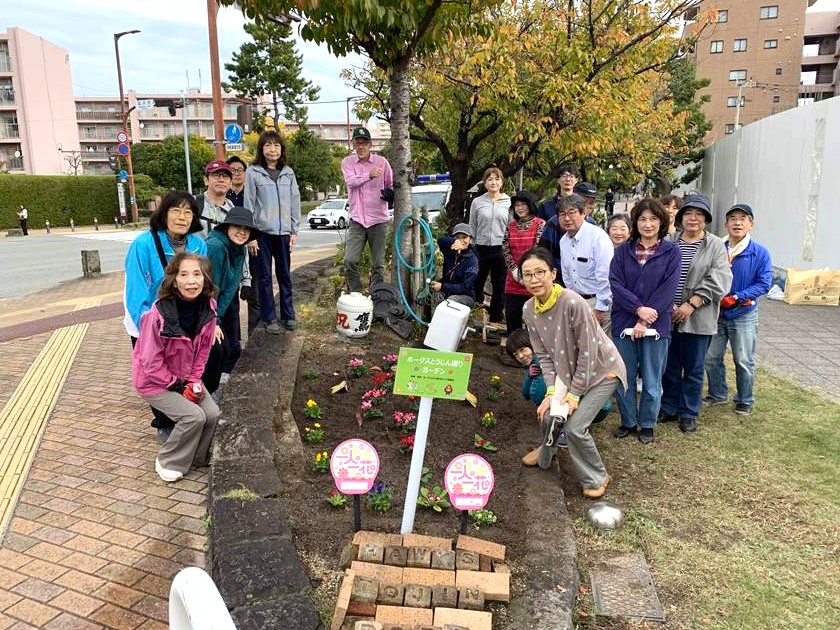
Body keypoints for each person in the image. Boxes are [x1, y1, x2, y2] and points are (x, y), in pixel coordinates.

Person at [520, 247, 626, 498]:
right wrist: (550, 392)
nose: (534, 279)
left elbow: (589, 352)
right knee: (548, 412)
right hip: (569, 371)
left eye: (540, 272)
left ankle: (598, 477)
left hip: (602, 370)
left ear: (553, 273)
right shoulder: (528, 310)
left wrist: (574, 396)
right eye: (528, 275)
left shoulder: (572, 302)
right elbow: (543, 356)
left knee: (575, 426)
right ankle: (545, 453)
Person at [123, 191, 207, 443]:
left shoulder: (198, 245)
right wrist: (148, 325)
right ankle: (163, 422)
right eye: (175, 210)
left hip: (183, 320)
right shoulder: (143, 244)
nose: (182, 217)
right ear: (164, 213)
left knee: (180, 368)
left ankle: (183, 413)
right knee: (153, 371)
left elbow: (202, 283)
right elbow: (136, 290)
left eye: (188, 212)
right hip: (150, 321)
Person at [132, 253, 219, 483]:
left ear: (205, 278)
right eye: (184, 274)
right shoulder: (157, 315)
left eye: (197, 274)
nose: (191, 281)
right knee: (193, 417)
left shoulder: (209, 308)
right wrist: (180, 386)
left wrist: (193, 380)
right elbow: (150, 363)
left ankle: (196, 458)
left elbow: (203, 352)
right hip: (154, 382)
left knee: (212, 414)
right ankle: (168, 460)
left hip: (184, 378)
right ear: (174, 279)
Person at [609, 199, 681, 444]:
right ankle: (628, 421)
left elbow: (668, 289)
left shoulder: (671, 252)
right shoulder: (622, 251)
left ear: (661, 222)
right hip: (623, 321)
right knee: (624, 376)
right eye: (642, 219)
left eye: (653, 219)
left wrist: (646, 319)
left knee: (652, 379)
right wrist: (638, 309)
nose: (647, 224)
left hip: (657, 325)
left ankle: (648, 423)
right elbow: (615, 284)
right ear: (635, 222)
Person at [660, 193, 732, 433]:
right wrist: (666, 303)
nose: (693, 218)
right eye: (688, 213)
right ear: (680, 217)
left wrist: (692, 303)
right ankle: (669, 406)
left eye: (699, 214)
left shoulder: (715, 246)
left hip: (699, 315)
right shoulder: (669, 241)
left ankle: (688, 411)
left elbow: (720, 277)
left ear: (706, 219)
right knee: (669, 364)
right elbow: (657, 273)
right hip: (667, 314)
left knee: (693, 366)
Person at [704, 203, 772, 416]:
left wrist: (737, 297)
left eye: (743, 219)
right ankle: (717, 393)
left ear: (751, 224)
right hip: (715, 313)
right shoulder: (716, 247)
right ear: (725, 224)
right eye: (733, 218)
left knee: (743, 359)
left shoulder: (759, 252)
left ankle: (744, 399)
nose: (737, 222)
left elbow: (764, 283)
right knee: (711, 357)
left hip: (743, 313)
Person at [245, 130, 301, 333]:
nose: (272, 149)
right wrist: (250, 235)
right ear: (261, 148)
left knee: (285, 274)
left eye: (276, 145)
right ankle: (269, 318)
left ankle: (288, 315)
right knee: (264, 277)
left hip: (284, 233)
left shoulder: (288, 172)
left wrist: (294, 231)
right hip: (261, 233)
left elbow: (295, 201)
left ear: (281, 149)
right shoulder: (253, 172)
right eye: (268, 145)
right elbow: (248, 203)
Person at [205, 207, 260, 388]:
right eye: (237, 226)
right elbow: (209, 289)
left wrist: (218, 316)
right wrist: (213, 320)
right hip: (204, 306)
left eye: (247, 229)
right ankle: (207, 389)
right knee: (215, 348)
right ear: (227, 227)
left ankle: (216, 384)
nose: (242, 232)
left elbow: (230, 288)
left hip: (219, 305)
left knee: (229, 346)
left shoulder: (240, 250)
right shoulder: (215, 247)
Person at [341, 126, 393, 293]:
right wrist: (369, 175)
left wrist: (390, 194)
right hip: (357, 220)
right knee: (350, 260)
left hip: (378, 220)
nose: (361, 146)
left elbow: (390, 184)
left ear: (370, 144)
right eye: (358, 143)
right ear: (354, 145)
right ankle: (356, 295)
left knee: (378, 264)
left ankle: (376, 297)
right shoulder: (347, 162)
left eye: (364, 143)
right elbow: (351, 182)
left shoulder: (382, 162)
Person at [557, 194, 614, 331]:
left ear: (583, 213)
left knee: (599, 350)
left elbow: (605, 275)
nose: (567, 218)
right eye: (562, 214)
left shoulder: (598, 237)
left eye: (572, 213)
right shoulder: (563, 241)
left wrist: (600, 308)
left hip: (598, 302)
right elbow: (567, 274)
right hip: (576, 302)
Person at [506, 327, 567, 452]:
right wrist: (529, 376)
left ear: (532, 344)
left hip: (559, 406)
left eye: (523, 350)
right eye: (516, 354)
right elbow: (525, 394)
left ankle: (561, 435)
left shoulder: (543, 361)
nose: (521, 356)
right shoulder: (532, 366)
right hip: (546, 408)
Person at [468, 167, 511, 325]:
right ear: (484, 183)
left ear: (502, 182)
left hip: (501, 248)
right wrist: (469, 245)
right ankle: (478, 313)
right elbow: (472, 225)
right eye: (490, 179)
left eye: (497, 179)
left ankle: (496, 319)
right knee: (477, 281)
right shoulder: (477, 202)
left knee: (499, 285)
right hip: (480, 247)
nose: (494, 182)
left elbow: (511, 226)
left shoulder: (508, 202)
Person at [502, 190, 545, 334]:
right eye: (516, 205)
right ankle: (515, 351)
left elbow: (538, 250)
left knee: (535, 321)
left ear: (530, 206)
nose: (519, 208)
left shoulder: (540, 224)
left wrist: (526, 273)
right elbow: (505, 249)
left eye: (523, 205)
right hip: (513, 280)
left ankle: (535, 353)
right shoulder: (510, 226)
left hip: (533, 278)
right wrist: (515, 271)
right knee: (512, 318)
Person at [429, 223, 478, 307]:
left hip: (466, 296)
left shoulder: (472, 261)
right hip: (447, 291)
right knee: (430, 295)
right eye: (457, 237)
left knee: (451, 301)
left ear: (470, 240)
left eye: (464, 237)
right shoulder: (450, 251)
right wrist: (453, 241)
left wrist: (443, 286)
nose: (461, 240)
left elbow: (465, 287)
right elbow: (440, 240)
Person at [197, 159, 234, 237]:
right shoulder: (192, 204)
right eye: (216, 175)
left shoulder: (233, 212)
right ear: (206, 180)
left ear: (231, 183)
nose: (221, 180)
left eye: (225, 176)